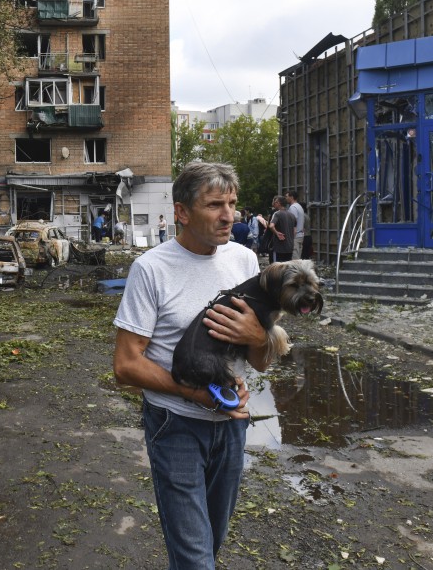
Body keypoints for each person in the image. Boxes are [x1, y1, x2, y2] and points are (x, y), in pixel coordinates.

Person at [113, 161, 268, 569]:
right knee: (197, 559)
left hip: (232, 424)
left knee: (209, 544)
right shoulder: (151, 269)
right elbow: (126, 366)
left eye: (232, 204)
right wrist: (195, 395)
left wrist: (258, 337)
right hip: (176, 425)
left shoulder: (245, 261)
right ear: (182, 211)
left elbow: (262, 362)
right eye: (215, 204)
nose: (228, 216)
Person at [269, 195, 296, 264]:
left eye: (275, 202)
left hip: (279, 247)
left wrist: (277, 233)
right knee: (287, 266)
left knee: (277, 267)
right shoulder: (292, 215)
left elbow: (271, 226)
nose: (274, 204)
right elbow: (294, 231)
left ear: (279, 203)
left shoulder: (277, 214)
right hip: (290, 246)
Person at [286, 190, 306, 261]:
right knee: (298, 257)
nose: (286, 198)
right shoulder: (299, 207)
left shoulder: (293, 208)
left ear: (291, 197)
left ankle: (295, 272)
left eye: (287, 196)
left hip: (295, 236)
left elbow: (293, 223)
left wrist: (290, 237)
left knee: (294, 259)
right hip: (300, 235)